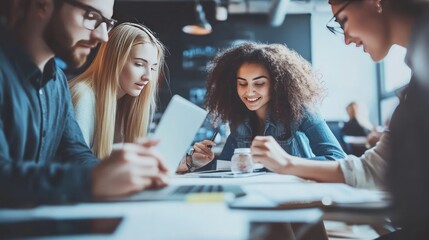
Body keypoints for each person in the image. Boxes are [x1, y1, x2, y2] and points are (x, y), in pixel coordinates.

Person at [254, 0, 429, 237]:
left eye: (343, 20)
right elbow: (372, 170)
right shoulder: (417, 73)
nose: (346, 39)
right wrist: (286, 164)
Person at [0, 0, 167, 206]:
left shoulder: (57, 82)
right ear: (43, 5)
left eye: (107, 22)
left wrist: (118, 173)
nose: (103, 36)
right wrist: (92, 179)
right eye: (91, 17)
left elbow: (76, 154)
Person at [177, 42, 347, 173]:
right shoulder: (239, 121)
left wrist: (284, 161)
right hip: (259, 203)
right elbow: (229, 168)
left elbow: (338, 159)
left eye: (259, 83)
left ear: (276, 84)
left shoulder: (302, 111)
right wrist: (198, 163)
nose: (249, 92)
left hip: (299, 202)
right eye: (242, 84)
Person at [69, 22, 166, 160]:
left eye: (152, 68)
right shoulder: (83, 96)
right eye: (139, 64)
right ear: (114, 61)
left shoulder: (125, 101)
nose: (148, 77)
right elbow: (77, 167)